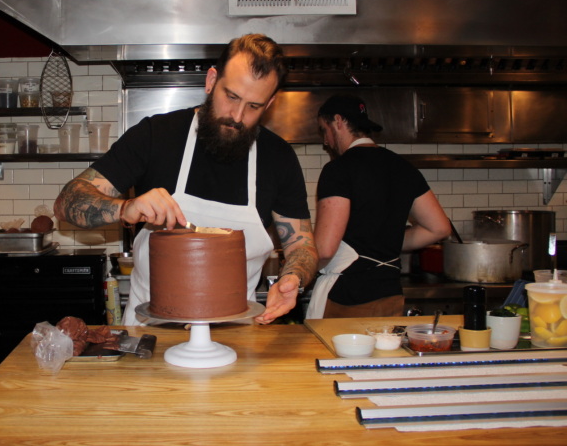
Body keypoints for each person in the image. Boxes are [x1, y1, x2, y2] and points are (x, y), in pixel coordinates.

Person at [54, 33, 318, 325]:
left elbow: (301, 245)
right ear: (211, 81)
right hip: (150, 337)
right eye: (231, 96)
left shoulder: (278, 157)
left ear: (268, 106)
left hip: (237, 336)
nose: (238, 116)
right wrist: (124, 208)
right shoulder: (156, 136)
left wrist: (293, 277)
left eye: (254, 106)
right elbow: (68, 201)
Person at [308, 94, 451, 319]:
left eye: (324, 130)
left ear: (338, 121)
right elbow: (439, 228)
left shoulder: (338, 170)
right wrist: (386, 242)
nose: (325, 140)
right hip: (390, 294)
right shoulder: (403, 168)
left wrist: (297, 271)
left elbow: (325, 249)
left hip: (346, 297)